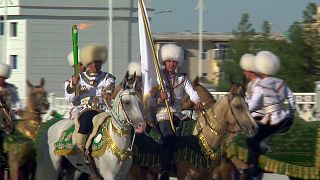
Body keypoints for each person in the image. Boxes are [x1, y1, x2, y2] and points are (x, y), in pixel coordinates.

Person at [151, 44, 203, 180]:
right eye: (169, 61)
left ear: (178, 62)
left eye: (174, 61)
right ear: (164, 62)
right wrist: (159, 98)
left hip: (179, 114)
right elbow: (149, 100)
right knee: (168, 136)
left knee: (197, 130)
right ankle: (165, 170)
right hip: (162, 114)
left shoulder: (183, 78)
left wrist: (197, 101)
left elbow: (192, 92)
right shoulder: (157, 77)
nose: (171, 64)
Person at [245, 51, 296, 178]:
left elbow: (253, 105)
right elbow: (291, 98)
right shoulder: (281, 82)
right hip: (285, 118)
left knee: (252, 138)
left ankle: (254, 168)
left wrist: (244, 107)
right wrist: (292, 113)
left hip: (273, 121)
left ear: (260, 69)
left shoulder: (260, 86)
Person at [65, 44, 115, 160]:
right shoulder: (79, 78)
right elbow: (69, 97)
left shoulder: (108, 77)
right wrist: (73, 84)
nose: (95, 65)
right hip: (86, 109)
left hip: (104, 109)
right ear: (88, 64)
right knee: (87, 119)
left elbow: (110, 87)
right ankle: (80, 150)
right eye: (92, 62)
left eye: (98, 62)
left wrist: (108, 94)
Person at [0, 63, 23, 162]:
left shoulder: (11, 88)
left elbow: (17, 102)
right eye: (0, 78)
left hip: (9, 116)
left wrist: (16, 109)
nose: (1, 80)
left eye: (3, 78)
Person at [64, 50, 86, 120]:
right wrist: (75, 86)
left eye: (83, 64)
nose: (82, 67)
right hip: (78, 110)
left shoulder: (93, 79)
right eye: (80, 65)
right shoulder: (69, 82)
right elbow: (69, 98)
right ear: (74, 67)